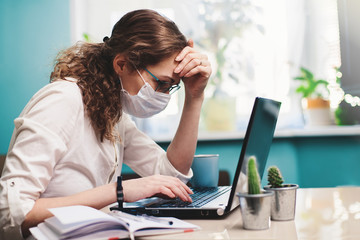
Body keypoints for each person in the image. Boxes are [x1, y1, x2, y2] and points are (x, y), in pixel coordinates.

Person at [0, 9, 211, 239]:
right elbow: (11, 212)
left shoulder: (111, 110)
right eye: (160, 83)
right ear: (122, 64)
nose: (163, 94)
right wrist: (119, 191)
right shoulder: (63, 100)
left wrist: (194, 96)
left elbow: (172, 176)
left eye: (170, 87)